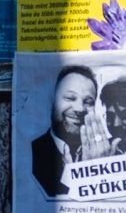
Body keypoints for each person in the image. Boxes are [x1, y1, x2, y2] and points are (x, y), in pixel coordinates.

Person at [29, 63, 97, 196]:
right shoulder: (30, 152)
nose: (79, 108)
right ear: (52, 101)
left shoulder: (103, 154)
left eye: (88, 102)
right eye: (70, 98)